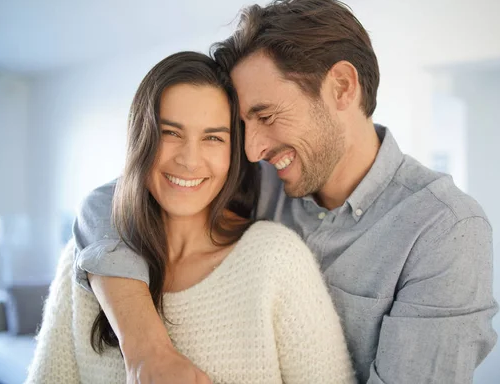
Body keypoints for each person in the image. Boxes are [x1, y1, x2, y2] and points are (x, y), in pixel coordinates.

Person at [73, 0, 498, 384]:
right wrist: (147, 350)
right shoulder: (258, 179)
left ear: (342, 87)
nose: (253, 150)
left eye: (267, 115)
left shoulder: (444, 229)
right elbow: (107, 204)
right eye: (242, 126)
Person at [26, 51, 356, 384]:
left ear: (235, 151)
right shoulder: (85, 259)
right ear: (141, 138)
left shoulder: (277, 260)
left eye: (213, 138)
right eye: (170, 133)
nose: (189, 160)